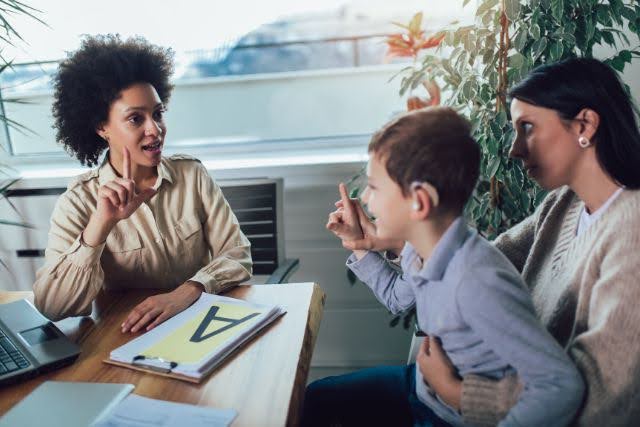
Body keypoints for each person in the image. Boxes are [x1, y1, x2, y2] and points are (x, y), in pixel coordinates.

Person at [326, 57, 640, 426]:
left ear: (584, 125)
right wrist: (392, 239)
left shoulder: (631, 233)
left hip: (472, 399)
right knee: (315, 401)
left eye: (527, 128)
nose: (514, 150)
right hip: (440, 387)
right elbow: (472, 261)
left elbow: (600, 399)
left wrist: (457, 392)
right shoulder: (565, 202)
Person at [302, 107, 584, 427]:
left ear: (419, 202)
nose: (365, 198)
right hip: (422, 388)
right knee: (315, 399)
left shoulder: (477, 282)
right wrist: (364, 247)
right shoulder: (422, 250)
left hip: (448, 416)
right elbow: (397, 298)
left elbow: (560, 387)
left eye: (375, 187)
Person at [33, 35, 252, 333]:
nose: (155, 129)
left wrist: (185, 293)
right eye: (136, 119)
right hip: (126, 335)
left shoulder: (192, 175)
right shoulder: (78, 202)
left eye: (158, 114)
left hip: (201, 326)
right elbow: (53, 307)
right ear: (101, 127)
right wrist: (100, 225)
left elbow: (238, 254)